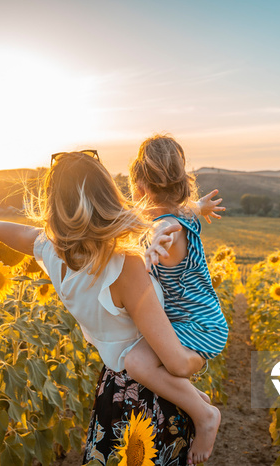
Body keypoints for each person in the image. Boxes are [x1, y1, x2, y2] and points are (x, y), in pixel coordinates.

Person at [0, 151, 212, 464]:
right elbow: (175, 361)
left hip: (112, 392)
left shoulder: (49, 250)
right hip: (154, 399)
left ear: (56, 206)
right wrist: (202, 366)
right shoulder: (125, 266)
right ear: (107, 197)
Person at [122, 134, 229, 464]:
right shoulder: (184, 214)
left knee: (136, 362)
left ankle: (206, 417)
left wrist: (153, 244)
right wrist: (200, 206)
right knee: (144, 358)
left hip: (194, 324)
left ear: (139, 184)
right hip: (199, 319)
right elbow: (180, 212)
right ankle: (196, 397)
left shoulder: (167, 226)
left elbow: (164, 228)